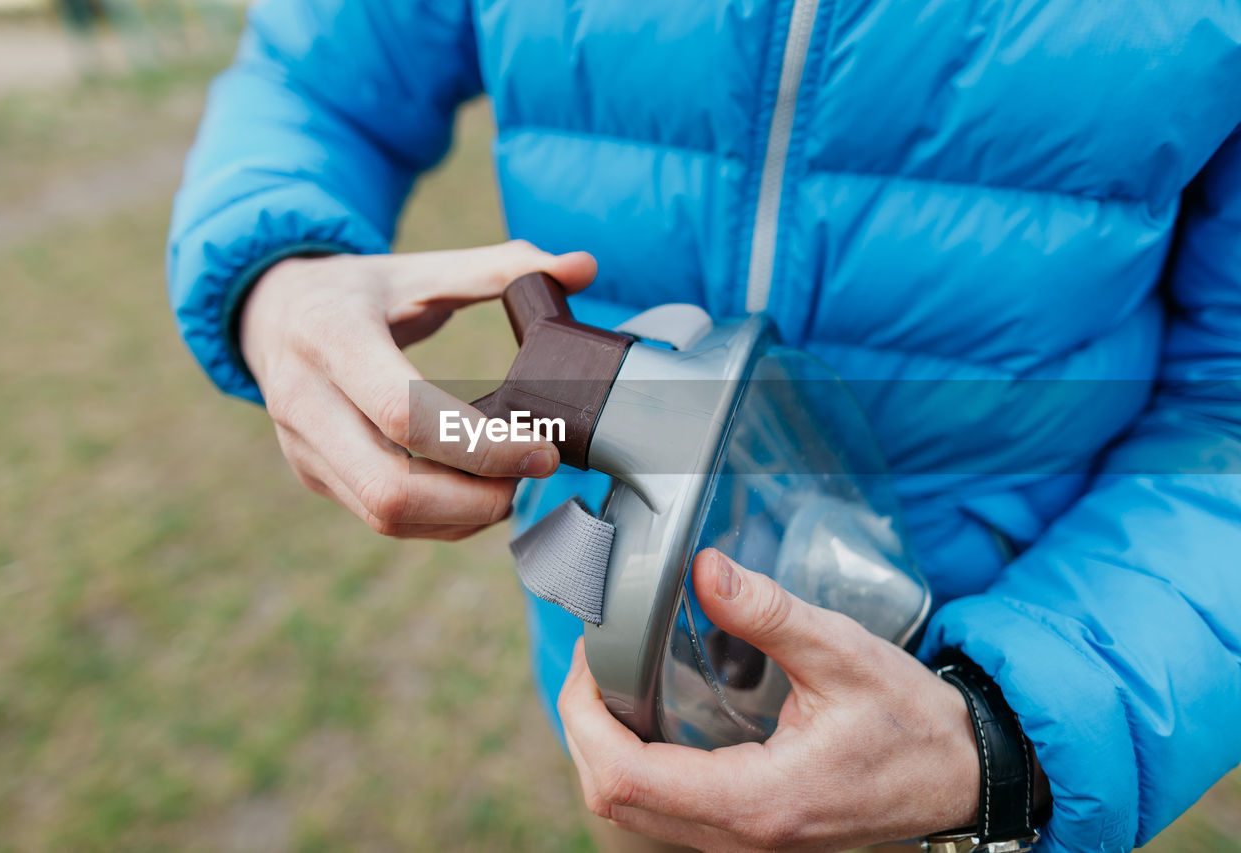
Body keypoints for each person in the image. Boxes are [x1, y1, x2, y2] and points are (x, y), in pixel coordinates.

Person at [166, 1, 1241, 850]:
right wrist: (278, 275)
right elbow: (311, 79)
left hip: (972, 689)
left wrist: (1006, 734)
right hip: (619, 677)